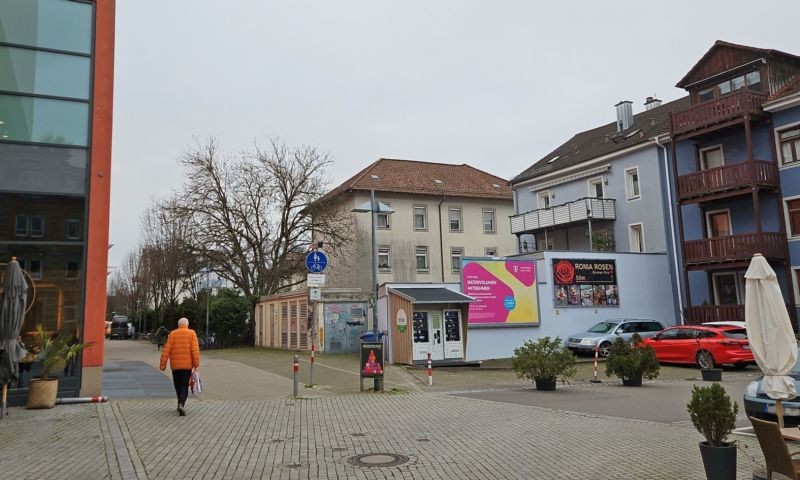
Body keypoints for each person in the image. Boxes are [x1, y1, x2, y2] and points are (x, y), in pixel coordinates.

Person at [159, 318, 200, 416]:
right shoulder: (192, 333)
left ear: (178, 325)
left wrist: (162, 365)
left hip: (175, 366)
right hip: (186, 366)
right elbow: (195, 351)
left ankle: (179, 403)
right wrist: (196, 365)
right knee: (184, 385)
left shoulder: (172, 334)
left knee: (177, 385)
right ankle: (181, 404)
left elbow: (166, 350)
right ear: (187, 324)